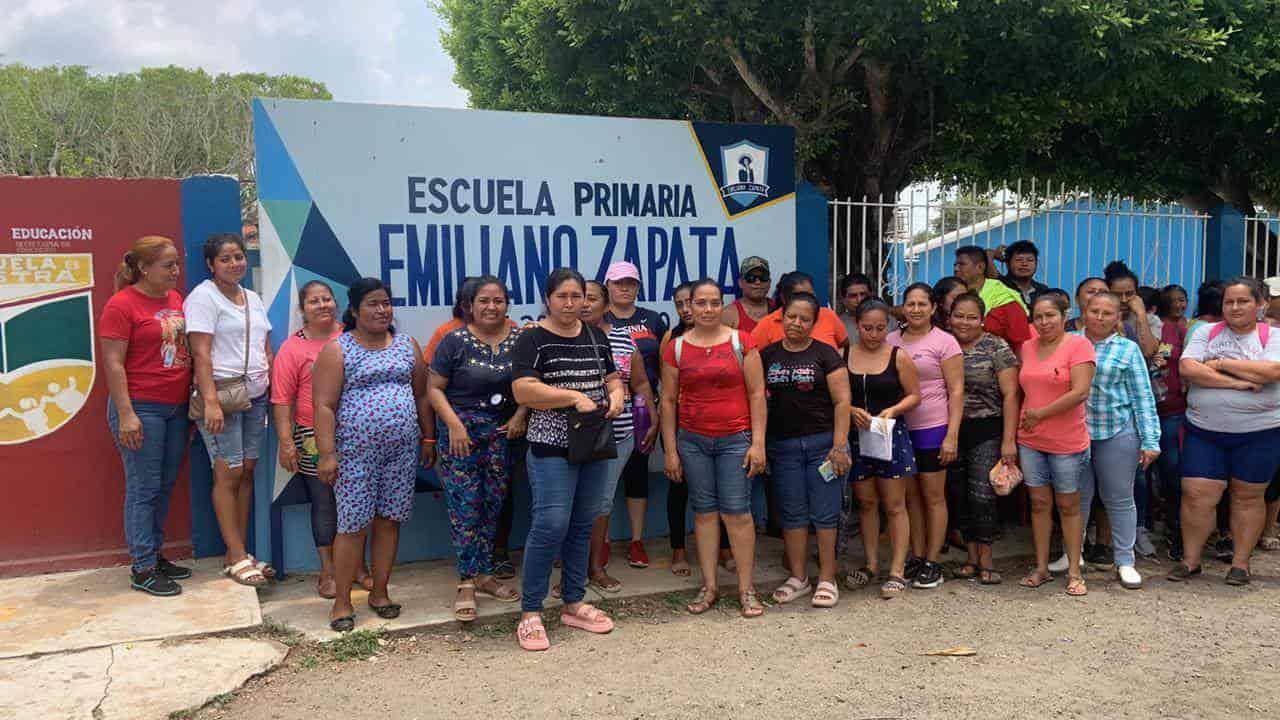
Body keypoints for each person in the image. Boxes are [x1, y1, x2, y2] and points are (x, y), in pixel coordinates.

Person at [511, 268, 626, 651]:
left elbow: (611, 377)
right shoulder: (532, 339)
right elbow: (524, 390)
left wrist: (617, 394)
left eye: (578, 296)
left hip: (592, 443)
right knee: (551, 522)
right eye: (562, 296)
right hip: (551, 445)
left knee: (582, 523)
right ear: (547, 298)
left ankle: (574, 601)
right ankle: (530, 611)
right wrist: (572, 397)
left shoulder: (595, 335)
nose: (571, 303)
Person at [312, 278, 432, 632]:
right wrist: (326, 453)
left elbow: (422, 396)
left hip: (401, 453)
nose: (382, 310)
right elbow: (323, 405)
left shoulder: (407, 346)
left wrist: (428, 439)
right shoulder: (338, 350)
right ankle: (342, 603)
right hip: (353, 455)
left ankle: (380, 593)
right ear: (354, 311)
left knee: (389, 520)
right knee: (352, 526)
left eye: (386, 303)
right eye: (373, 304)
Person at [661, 278, 768, 618]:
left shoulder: (742, 342)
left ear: (722, 305)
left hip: (736, 440)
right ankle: (709, 586)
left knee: (737, 513)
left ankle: (746, 589)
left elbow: (756, 394)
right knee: (704, 514)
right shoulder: (676, 348)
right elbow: (667, 401)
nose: (707, 309)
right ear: (688, 307)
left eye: (714, 302)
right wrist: (671, 450)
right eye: (700, 303)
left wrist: (759, 443)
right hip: (692, 441)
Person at [1169, 277, 1280, 586]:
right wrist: (1240, 381)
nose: (1235, 307)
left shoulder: (1273, 336)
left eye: (1243, 301)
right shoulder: (1206, 331)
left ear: (1260, 304)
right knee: (1196, 495)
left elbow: (1272, 372)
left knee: (1248, 496)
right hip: (1205, 431)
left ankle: (1240, 563)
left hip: (1259, 433)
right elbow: (1189, 368)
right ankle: (1191, 560)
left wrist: (1218, 364)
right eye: (1229, 301)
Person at [427, 275, 525, 621]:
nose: (491, 307)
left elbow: (533, 382)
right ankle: (466, 581)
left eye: (498, 300)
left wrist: (521, 415)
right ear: (470, 306)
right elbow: (434, 389)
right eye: (484, 301)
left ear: (507, 304)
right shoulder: (454, 341)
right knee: (465, 508)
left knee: (493, 504)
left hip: (502, 433)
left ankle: (484, 574)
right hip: (460, 437)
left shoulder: (520, 339)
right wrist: (454, 425)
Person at [100, 236, 193, 596]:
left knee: (164, 485)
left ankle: (154, 555)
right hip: (142, 407)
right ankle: (142, 567)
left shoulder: (175, 300)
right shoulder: (121, 305)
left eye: (176, 265)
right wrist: (126, 414)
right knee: (144, 487)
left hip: (176, 406)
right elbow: (113, 363)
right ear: (143, 268)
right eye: (167, 265)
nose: (175, 272)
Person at [270, 280, 373, 599]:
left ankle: (356, 567)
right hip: (312, 435)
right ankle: (328, 570)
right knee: (325, 502)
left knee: (358, 499)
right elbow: (282, 398)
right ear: (303, 310)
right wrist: (286, 440)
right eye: (314, 301)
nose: (323, 305)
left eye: (327, 299)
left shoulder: (351, 337)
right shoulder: (293, 348)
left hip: (355, 432)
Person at [184, 233, 275, 587]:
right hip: (222, 395)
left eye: (238, 257)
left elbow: (264, 344)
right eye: (225, 259)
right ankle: (236, 556)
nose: (235, 263)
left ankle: (238, 551)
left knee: (247, 470)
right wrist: (209, 402)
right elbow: (201, 354)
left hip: (255, 395)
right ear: (211, 264)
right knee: (228, 473)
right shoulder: (203, 299)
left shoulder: (253, 298)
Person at [760, 292, 853, 608]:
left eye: (804, 319)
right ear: (782, 317)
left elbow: (843, 402)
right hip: (783, 447)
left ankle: (828, 577)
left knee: (825, 515)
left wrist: (840, 446)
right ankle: (799, 578)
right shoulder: (767, 355)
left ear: (814, 323)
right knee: (792, 514)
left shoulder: (826, 354)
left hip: (822, 446)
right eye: (791, 317)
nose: (796, 323)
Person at [1067, 292, 1161, 590]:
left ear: (1117, 317)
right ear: (1084, 311)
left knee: (1119, 499)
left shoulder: (1128, 349)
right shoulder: (1069, 342)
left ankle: (1125, 560)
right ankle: (1073, 556)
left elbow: (1142, 396)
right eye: (1094, 311)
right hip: (1073, 432)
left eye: (1107, 313)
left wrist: (1151, 440)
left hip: (1117, 431)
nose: (1100, 317)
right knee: (1076, 498)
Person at [1017, 293, 1096, 596]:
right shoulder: (1027, 347)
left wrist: (1041, 414)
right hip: (1031, 439)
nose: (1044, 321)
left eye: (1050, 315)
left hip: (1066, 439)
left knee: (1068, 504)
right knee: (1039, 504)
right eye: (1038, 316)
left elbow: (1080, 392)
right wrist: (1029, 421)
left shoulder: (1079, 345)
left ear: (1065, 316)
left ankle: (1074, 571)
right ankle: (1041, 568)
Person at [887, 283, 964, 589]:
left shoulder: (945, 342)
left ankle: (934, 560)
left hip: (934, 427)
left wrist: (952, 435)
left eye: (922, 304)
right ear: (903, 308)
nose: (916, 309)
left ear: (934, 308)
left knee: (933, 497)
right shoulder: (891, 340)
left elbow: (956, 390)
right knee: (911, 497)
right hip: (899, 430)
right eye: (910, 303)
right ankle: (916, 555)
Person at [583, 280, 658, 592]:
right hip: (576, 435)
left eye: (592, 298)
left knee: (601, 501)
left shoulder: (624, 340)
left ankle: (595, 568)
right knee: (576, 503)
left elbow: (640, 383)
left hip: (621, 434)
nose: (585, 304)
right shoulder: (562, 336)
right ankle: (575, 568)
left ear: (605, 305)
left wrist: (652, 417)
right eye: (580, 298)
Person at [844, 298, 921, 599]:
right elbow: (835, 396)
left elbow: (915, 395)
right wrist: (850, 409)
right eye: (867, 328)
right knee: (866, 502)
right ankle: (871, 563)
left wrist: (894, 410)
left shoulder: (898, 356)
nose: (874, 334)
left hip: (890, 433)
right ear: (856, 325)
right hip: (857, 435)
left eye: (880, 328)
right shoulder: (844, 353)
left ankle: (897, 570)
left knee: (895, 504)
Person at [659, 282, 733, 575]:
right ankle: (678, 549)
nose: (687, 309)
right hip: (679, 424)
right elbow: (666, 392)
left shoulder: (726, 337)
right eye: (680, 304)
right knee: (679, 487)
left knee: (723, 491)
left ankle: (725, 548)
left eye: (692, 302)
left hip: (718, 426)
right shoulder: (672, 339)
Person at [948, 293, 1020, 585]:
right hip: (951, 430)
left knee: (982, 496)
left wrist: (1009, 440)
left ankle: (987, 558)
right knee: (959, 495)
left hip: (987, 430)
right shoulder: (944, 344)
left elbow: (1011, 394)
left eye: (971, 317)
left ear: (982, 319)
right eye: (959, 316)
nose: (964, 322)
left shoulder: (996, 346)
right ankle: (970, 557)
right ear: (949, 316)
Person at [602, 261, 667, 571]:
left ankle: (637, 541)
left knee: (637, 475)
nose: (624, 287)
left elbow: (666, 366)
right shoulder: (599, 319)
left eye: (631, 282)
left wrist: (659, 410)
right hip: (605, 414)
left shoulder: (652, 319)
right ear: (608, 287)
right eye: (618, 282)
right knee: (601, 482)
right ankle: (599, 543)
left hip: (643, 408)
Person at [1155, 284, 1190, 559]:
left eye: (1183, 300)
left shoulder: (1191, 328)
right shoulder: (1160, 327)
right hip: (1157, 407)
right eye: (1173, 300)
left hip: (1178, 409)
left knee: (1174, 468)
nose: (1179, 305)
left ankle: (1177, 527)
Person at [952, 245, 1031, 351]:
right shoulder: (952, 295)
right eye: (955, 265)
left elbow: (1020, 345)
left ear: (980, 267)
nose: (956, 269)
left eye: (961, 265)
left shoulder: (1005, 299)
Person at [751, 271, 849, 350]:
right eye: (801, 297)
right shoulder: (768, 324)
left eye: (810, 295)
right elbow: (752, 356)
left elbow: (845, 346)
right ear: (784, 298)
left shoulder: (828, 315)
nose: (807, 301)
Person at [1104, 261, 1159, 358]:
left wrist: (1141, 314)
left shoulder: (1151, 320)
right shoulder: (1099, 318)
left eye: (1129, 294)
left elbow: (1149, 352)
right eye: (1117, 295)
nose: (1124, 300)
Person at [722, 256, 774, 333]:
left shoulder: (780, 309)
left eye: (763, 277)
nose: (757, 282)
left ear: (769, 282)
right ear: (740, 283)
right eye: (751, 278)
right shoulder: (728, 315)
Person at [994, 240, 1050, 309]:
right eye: (1018, 260)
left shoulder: (1043, 290)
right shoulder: (999, 285)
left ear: (1036, 264)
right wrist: (994, 254)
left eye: (1030, 260)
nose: (1024, 264)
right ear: (1007, 264)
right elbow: (987, 255)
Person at [837, 273, 873, 343]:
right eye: (853, 296)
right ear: (843, 299)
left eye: (863, 294)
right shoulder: (837, 324)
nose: (859, 300)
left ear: (871, 295)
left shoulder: (888, 321)